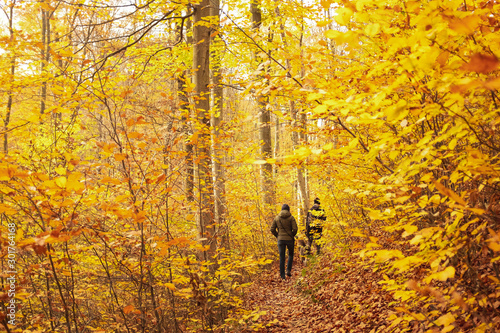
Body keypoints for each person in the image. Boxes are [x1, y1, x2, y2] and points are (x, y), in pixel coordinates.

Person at [270, 204, 298, 280]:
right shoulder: (291, 218)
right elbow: (295, 229)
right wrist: (292, 235)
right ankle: (288, 270)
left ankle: (282, 276)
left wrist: (278, 235)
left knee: (282, 257)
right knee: (291, 254)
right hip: (289, 239)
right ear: (288, 210)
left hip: (280, 240)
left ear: (281, 209)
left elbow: (272, 229)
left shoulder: (277, 218)